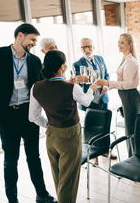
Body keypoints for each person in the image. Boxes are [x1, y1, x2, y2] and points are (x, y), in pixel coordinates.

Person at [0, 23, 56, 203]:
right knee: (11, 159)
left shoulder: (35, 61)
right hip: (6, 116)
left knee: (34, 157)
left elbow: (41, 88)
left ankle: (42, 193)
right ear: (20, 36)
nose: (33, 44)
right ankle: (12, 199)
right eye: (32, 40)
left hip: (28, 114)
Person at [29, 50, 97, 203]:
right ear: (62, 67)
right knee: (69, 180)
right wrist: (92, 88)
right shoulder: (71, 88)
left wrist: (50, 125)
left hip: (51, 136)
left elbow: (33, 117)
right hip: (69, 137)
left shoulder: (36, 87)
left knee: (58, 176)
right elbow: (86, 101)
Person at [96, 33, 140, 157]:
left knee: (130, 130)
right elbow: (122, 81)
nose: (119, 45)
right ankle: (132, 156)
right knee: (128, 128)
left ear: (130, 45)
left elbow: (127, 84)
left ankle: (133, 157)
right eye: (118, 42)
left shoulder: (130, 62)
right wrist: (107, 87)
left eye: (122, 42)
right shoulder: (125, 59)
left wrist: (108, 82)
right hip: (126, 96)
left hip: (130, 96)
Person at [73, 38, 115, 163]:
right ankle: (93, 154)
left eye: (89, 46)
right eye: (83, 47)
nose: (86, 49)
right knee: (91, 127)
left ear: (93, 47)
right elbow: (78, 85)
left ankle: (106, 150)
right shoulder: (76, 64)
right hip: (89, 99)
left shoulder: (100, 59)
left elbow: (106, 74)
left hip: (103, 97)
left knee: (105, 125)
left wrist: (106, 86)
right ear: (80, 49)